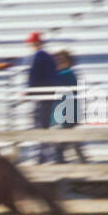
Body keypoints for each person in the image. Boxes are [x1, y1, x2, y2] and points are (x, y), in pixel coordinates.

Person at [26, 31, 61, 162]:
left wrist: (28, 92)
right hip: (49, 95)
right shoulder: (49, 57)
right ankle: (46, 155)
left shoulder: (37, 57)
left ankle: (41, 156)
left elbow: (33, 76)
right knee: (45, 125)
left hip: (41, 96)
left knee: (39, 125)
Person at [52, 50, 86, 163]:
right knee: (72, 143)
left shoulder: (65, 74)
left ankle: (61, 169)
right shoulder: (68, 73)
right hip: (68, 115)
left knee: (59, 147)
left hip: (66, 115)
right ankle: (83, 163)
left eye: (60, 61)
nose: (57, 63)